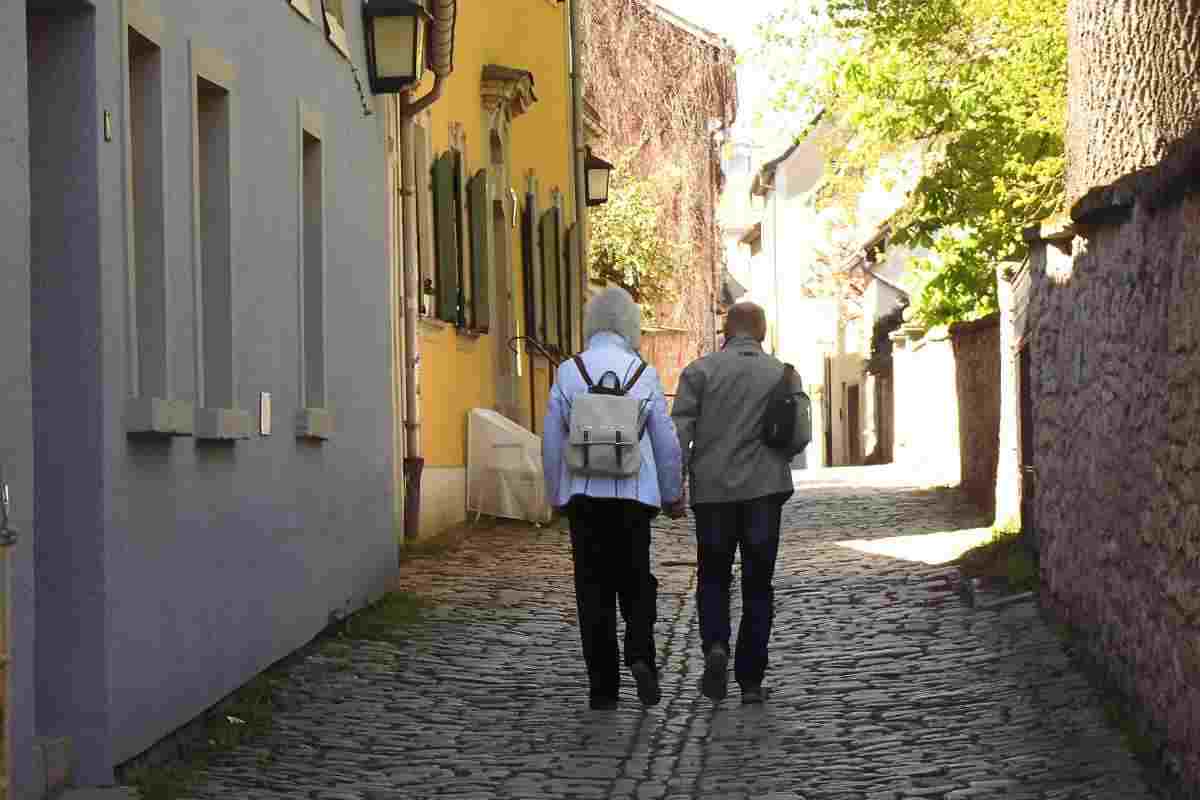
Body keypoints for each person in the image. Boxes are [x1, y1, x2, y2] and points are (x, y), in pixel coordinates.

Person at [542, 287, 686, 710]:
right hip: (633, 496)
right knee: (636, 579)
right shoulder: (643, 373)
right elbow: (665, 439)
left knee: (592, 589)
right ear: (630, 325)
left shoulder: (569, 372)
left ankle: (602, 689)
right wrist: (672, 493)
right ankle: (640, 652)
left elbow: (552, 438)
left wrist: (555, 493)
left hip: (583, 495)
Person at [671, 301, 799, 705]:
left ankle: (715, 645)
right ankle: (751, 681)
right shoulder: (783, 374)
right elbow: (799, 434)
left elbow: (679, 436)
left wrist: (673, 487)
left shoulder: (699, 372)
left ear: (726, 331)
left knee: (713, 575)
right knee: (758, 584)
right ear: (762, 332)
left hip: (713, 494)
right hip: (764, 492)